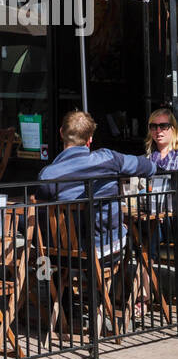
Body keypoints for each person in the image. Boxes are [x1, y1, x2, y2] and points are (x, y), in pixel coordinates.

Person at [37, 109, 158, 256]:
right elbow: (147, 167)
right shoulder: (109, 158)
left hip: (66, 254)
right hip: (108, 249)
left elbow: (41, 218)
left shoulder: (48, 174)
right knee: (123, 229)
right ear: (90, 139)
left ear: (61, 133)